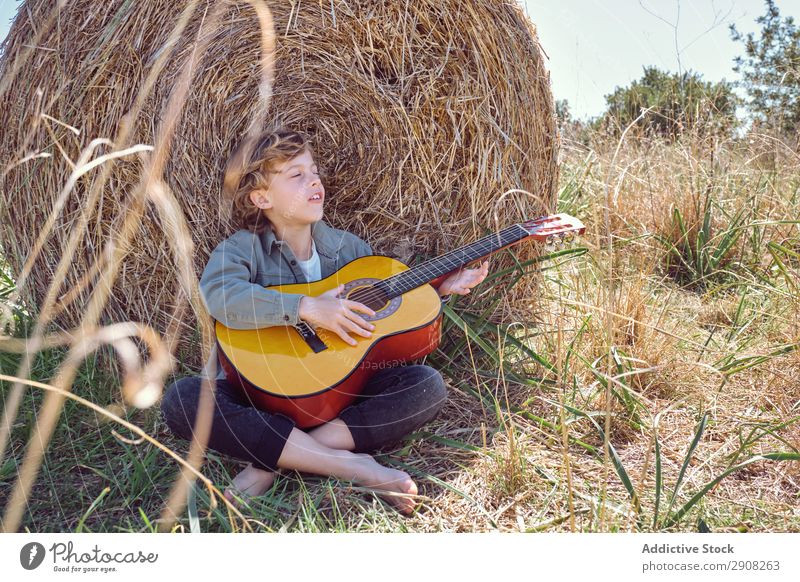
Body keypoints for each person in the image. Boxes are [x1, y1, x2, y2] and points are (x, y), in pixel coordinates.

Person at [160, 128, 489, 515]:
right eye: (296, 175)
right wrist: (306, 308)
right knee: (182, 400)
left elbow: (381, 323)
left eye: (313, 171)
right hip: (261, 395)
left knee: (426, 387)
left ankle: (274, 460)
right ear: (261, 197)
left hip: (338, 393)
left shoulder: (352, 253)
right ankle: (352, 465)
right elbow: (220, 296)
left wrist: (440, 290)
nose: (313, 180)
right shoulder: (241, 249)